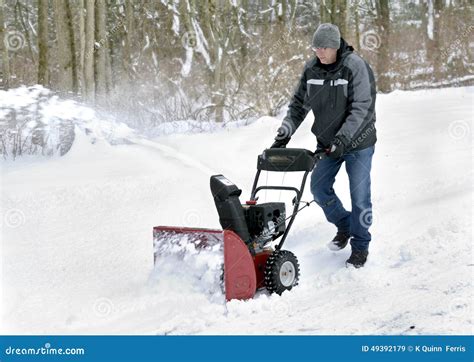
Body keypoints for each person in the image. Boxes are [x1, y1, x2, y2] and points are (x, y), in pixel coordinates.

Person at [271, 23, 377, 268]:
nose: (319, 52)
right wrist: (283, 134)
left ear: (336, 46)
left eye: (324, 48)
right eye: (316, 47)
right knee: (319, 188)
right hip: (328, 144)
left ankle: (360, 246)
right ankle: (345, 225)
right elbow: (298, 105)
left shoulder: (355, 67)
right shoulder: (312, 70)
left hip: (359, 142)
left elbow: (362, 107)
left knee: (359, 197)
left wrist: (343, 139)